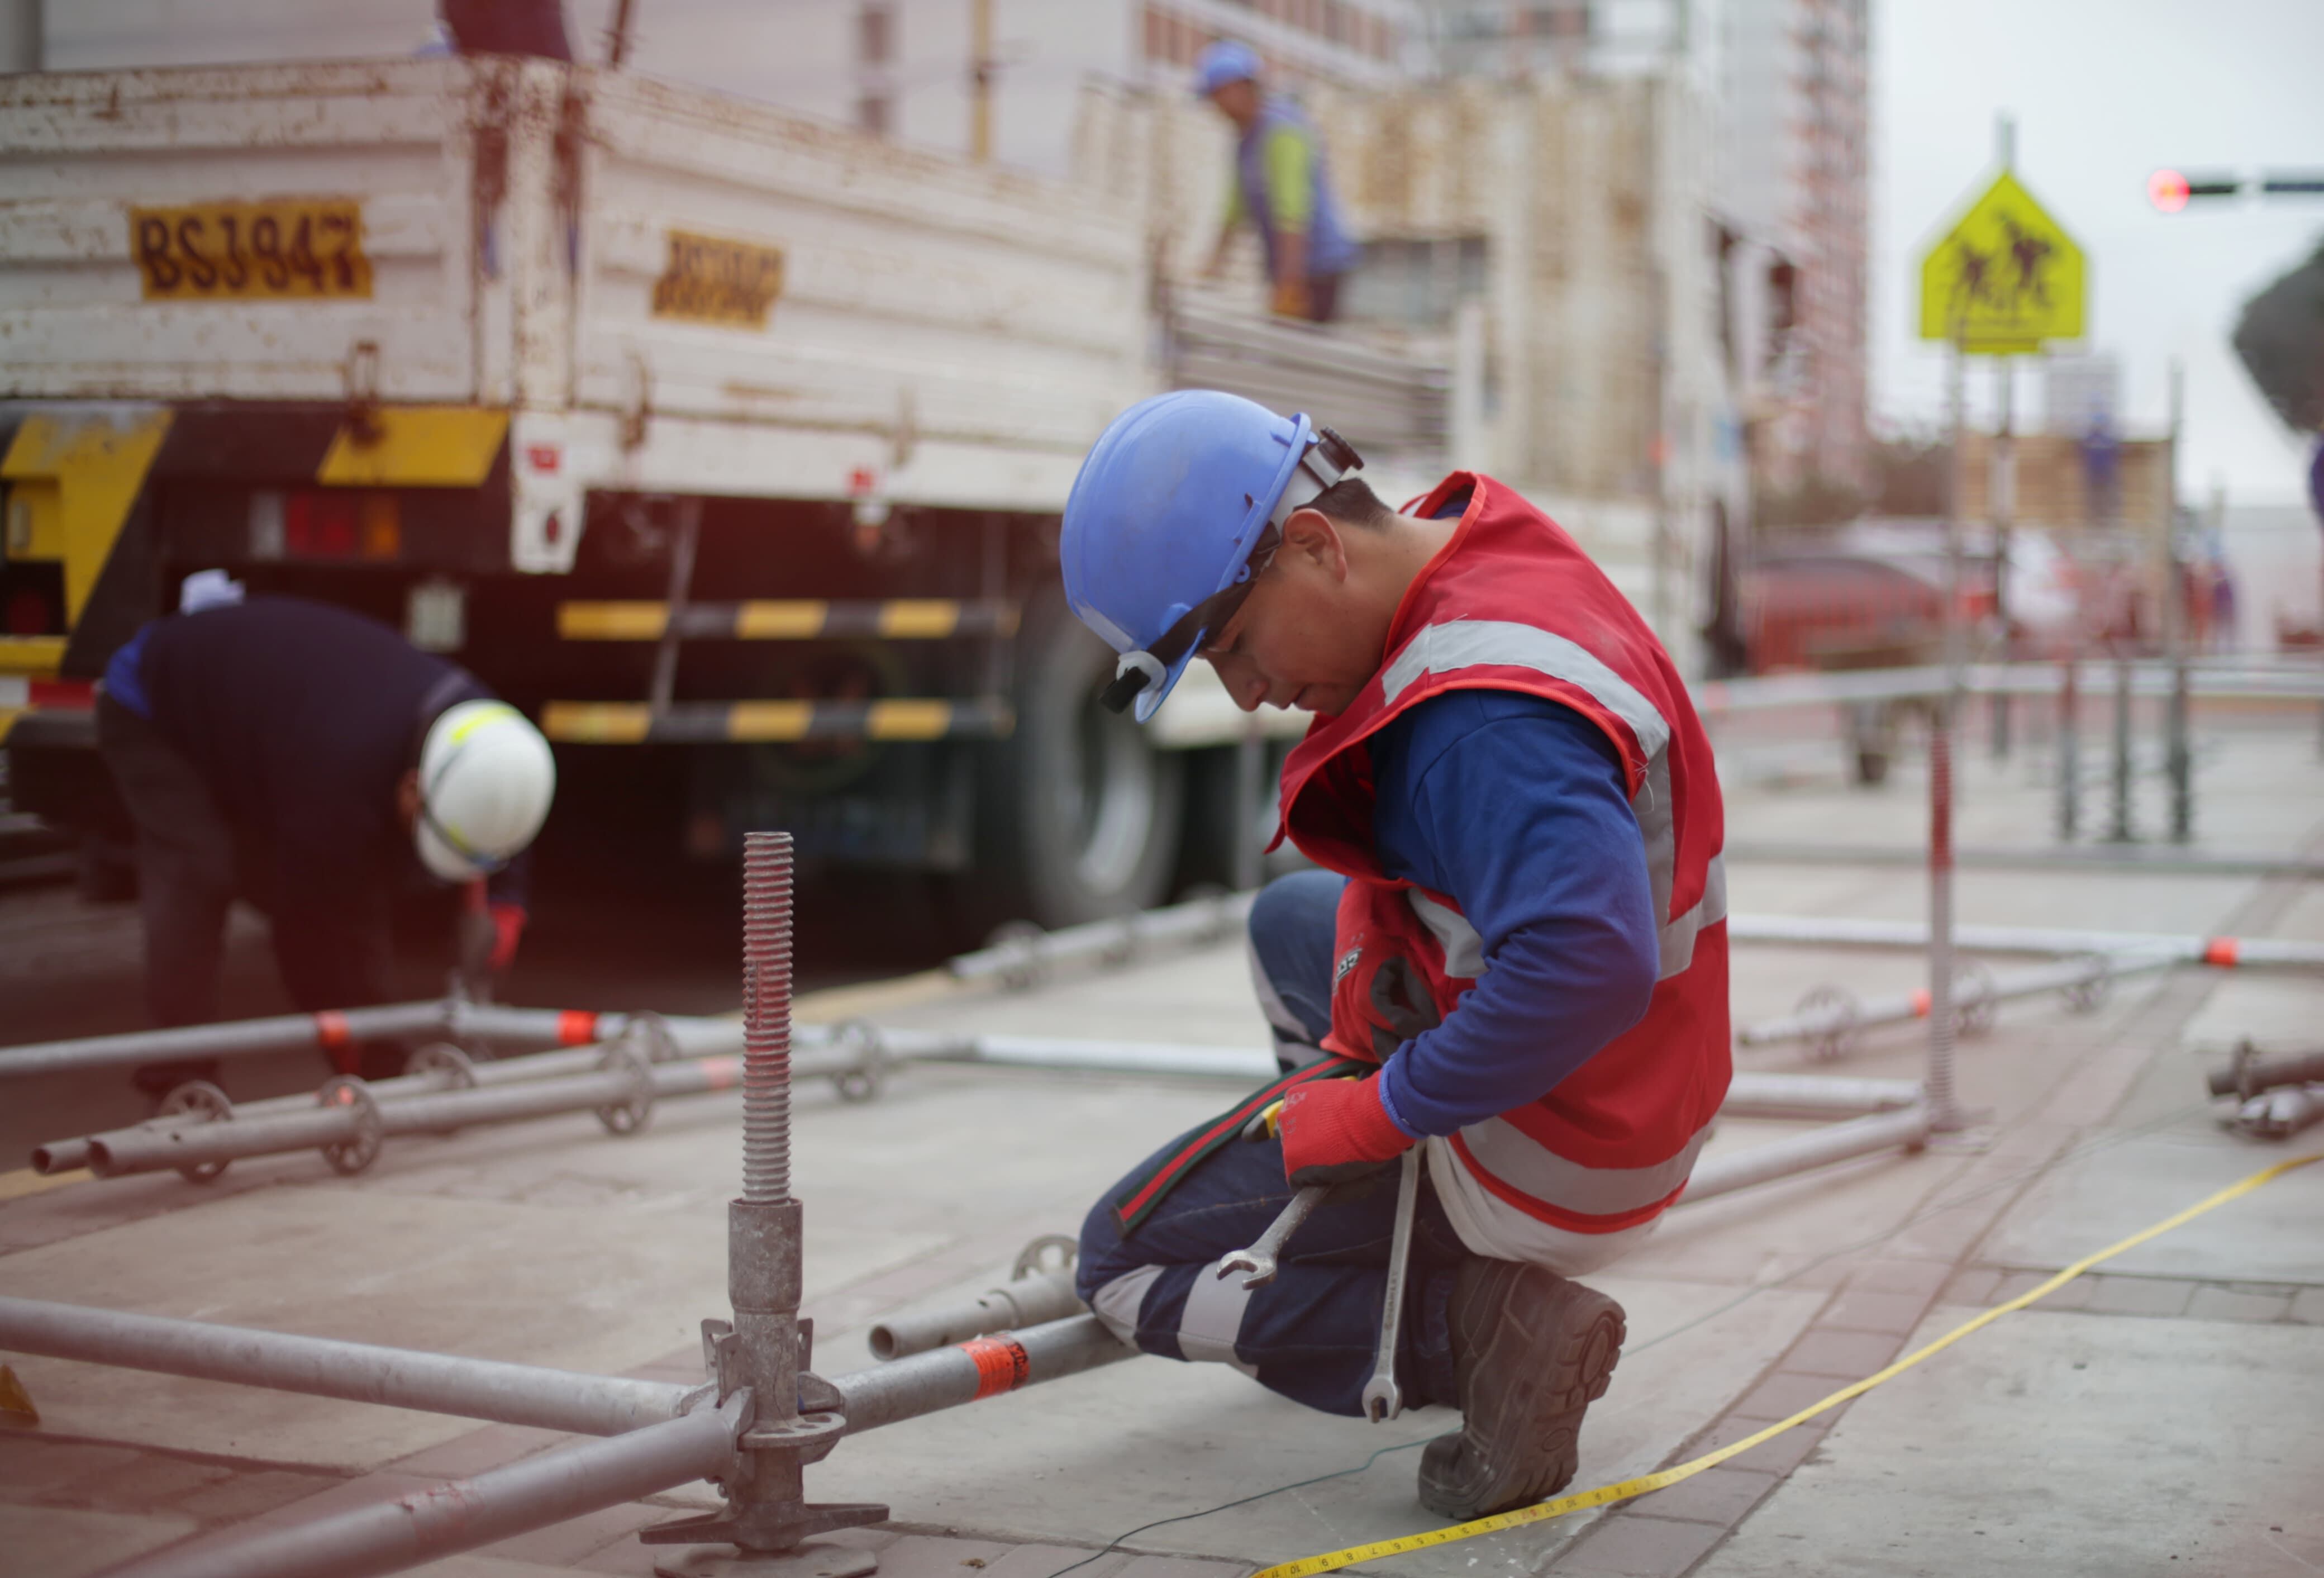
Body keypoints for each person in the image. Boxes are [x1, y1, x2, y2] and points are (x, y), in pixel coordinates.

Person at [1059, 391, 1728, 1519]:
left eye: (1231, 646)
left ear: (1315, 545)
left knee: (1120, 1263)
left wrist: (1376, 1114)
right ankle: (1361, 1230)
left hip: (1563, 1138)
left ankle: (1466, 1331)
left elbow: (1586, 965)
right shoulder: (1469, 555)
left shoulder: (1481, 725)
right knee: (1291, 918)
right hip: (1636, 1080)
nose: (1250, 691)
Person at [97, 592, 556, 1095]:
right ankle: (179, 1081)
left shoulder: (492, 739)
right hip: (156, 702)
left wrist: (504, 912)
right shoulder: (338, 780)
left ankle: (379, 1052)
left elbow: (502, 823)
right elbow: (313, 934)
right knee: (202, 873)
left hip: (272, 711)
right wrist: (364, 1060)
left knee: (341, 880)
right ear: (410, 786)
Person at [1193, 41, 1359, 324]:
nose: (1215, 107)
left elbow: (1292, 215)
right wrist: (1207, 277)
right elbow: (1233, 214)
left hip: (1318, 269)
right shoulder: (1246, 141)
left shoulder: (1284, 132)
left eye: (1216, 95)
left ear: (1238, 88)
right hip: (1287, 268)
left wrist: (1289, 287)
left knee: (1306, 356)